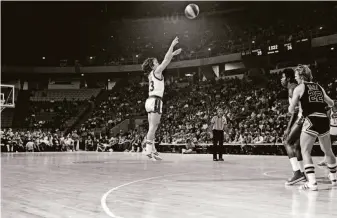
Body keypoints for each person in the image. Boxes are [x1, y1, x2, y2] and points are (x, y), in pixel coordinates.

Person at [289, 65, 336, 191]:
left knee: (305, 151)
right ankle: (334, 178)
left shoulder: (299, 88)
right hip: (323, 120)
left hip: (310, 120)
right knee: (328, 151)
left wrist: (296, 104)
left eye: (296, 76)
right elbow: (331, 103)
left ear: (301, 76)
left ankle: (312, 183)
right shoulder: (319, 87)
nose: (295, 78)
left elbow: (291, 109)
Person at [141, 37, 182, 161]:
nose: (158, 62)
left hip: (150, 100)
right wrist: (172, 45)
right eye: (156, 61)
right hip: (155, 100)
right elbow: (166, 59)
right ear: (153, 65)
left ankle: (153, 150)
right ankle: (147, 150)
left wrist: (173, 54)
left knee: (152, 127)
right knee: (154, 126)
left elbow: (167, 59)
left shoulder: (150, 75)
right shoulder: (157, 71)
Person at [281, 68, 306, 185]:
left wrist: (288, 128)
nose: (281, 80)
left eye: (283, 77)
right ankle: (303, 173)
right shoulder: (296, 86)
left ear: (289, 78)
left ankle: (297, 173)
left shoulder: (292, 88)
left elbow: (295, 111)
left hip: (301, 118)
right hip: (307, 118)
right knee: (296, 146)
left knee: (287, 142)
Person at [317, 101, 337, 166]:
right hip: (331, 129)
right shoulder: (330, 110)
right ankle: (325, 160)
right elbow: (327, 119)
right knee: (327, 146)